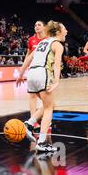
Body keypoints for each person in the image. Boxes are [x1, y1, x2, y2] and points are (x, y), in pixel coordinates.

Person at [17, 21, 67, 152]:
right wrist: (57, 81)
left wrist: (20, 74)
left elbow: (28, 59)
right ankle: (42, 142)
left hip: (31, 74)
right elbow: (56, 65)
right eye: (65, 29)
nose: (66, 32)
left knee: (48, 104)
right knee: (49, 108)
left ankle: (29, 123)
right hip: (42, 73)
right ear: (58, 32)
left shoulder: (41, 42)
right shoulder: (57, 45)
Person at [20, 21, 46, 133]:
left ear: (44, 27)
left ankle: (45, 118)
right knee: (32, 97)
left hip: (44, 70)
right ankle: (33, 121)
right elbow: (28, 54)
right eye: (35, 25)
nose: (36, 27)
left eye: (39, 25)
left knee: (46, 100)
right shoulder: (31, 39)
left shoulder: (47, 39)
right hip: (33, 70)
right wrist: (23, 68)